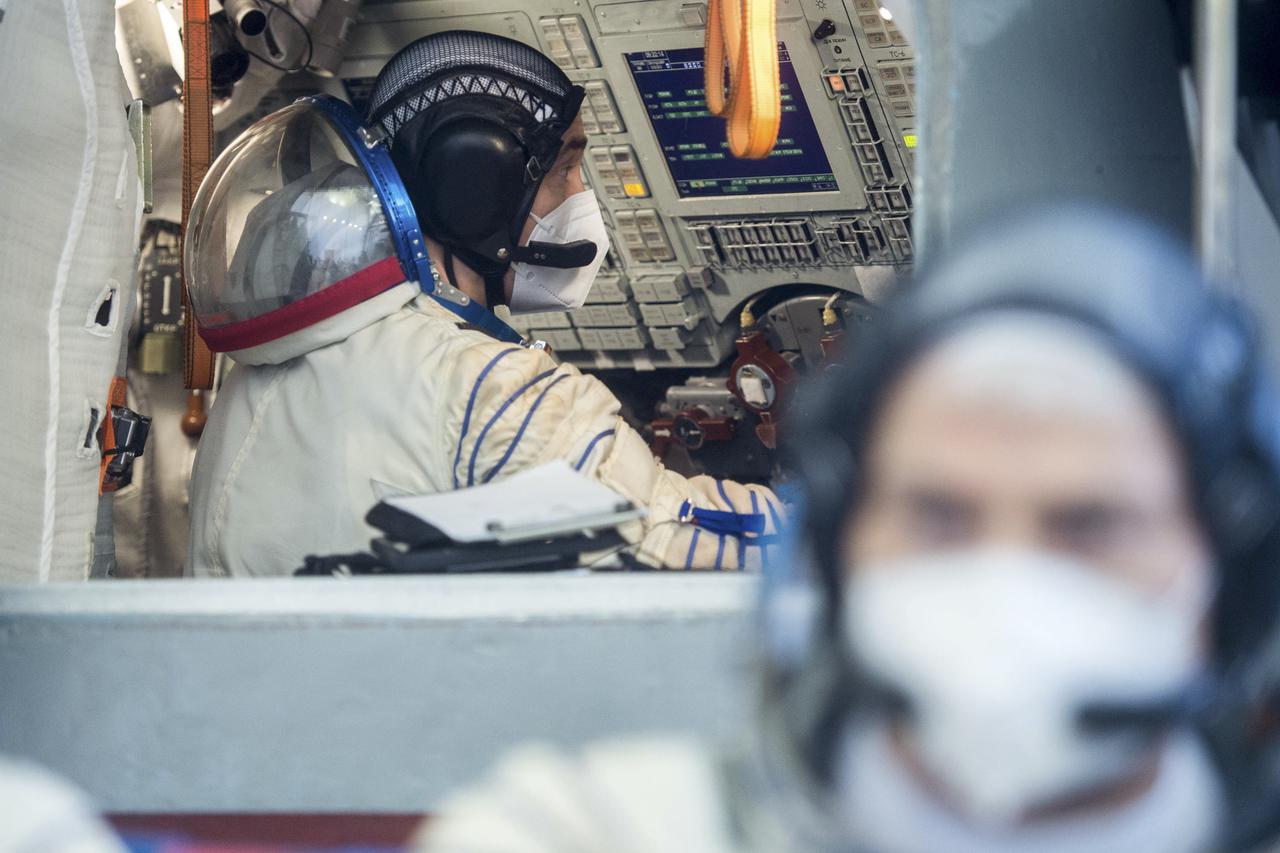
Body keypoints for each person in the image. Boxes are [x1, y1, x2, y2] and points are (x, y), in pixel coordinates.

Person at [409, 207, 1280, 853]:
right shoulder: (583, 831)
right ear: (829, 554)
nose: (1006, 575)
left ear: (1234, 577)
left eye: (1091, 525)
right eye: (938, 515)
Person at [183, 31, 780, 577]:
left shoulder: (252, 384)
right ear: (475, 188)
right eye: (566, 170)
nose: (581, 197)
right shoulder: (490, 391)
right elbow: (686, 544)